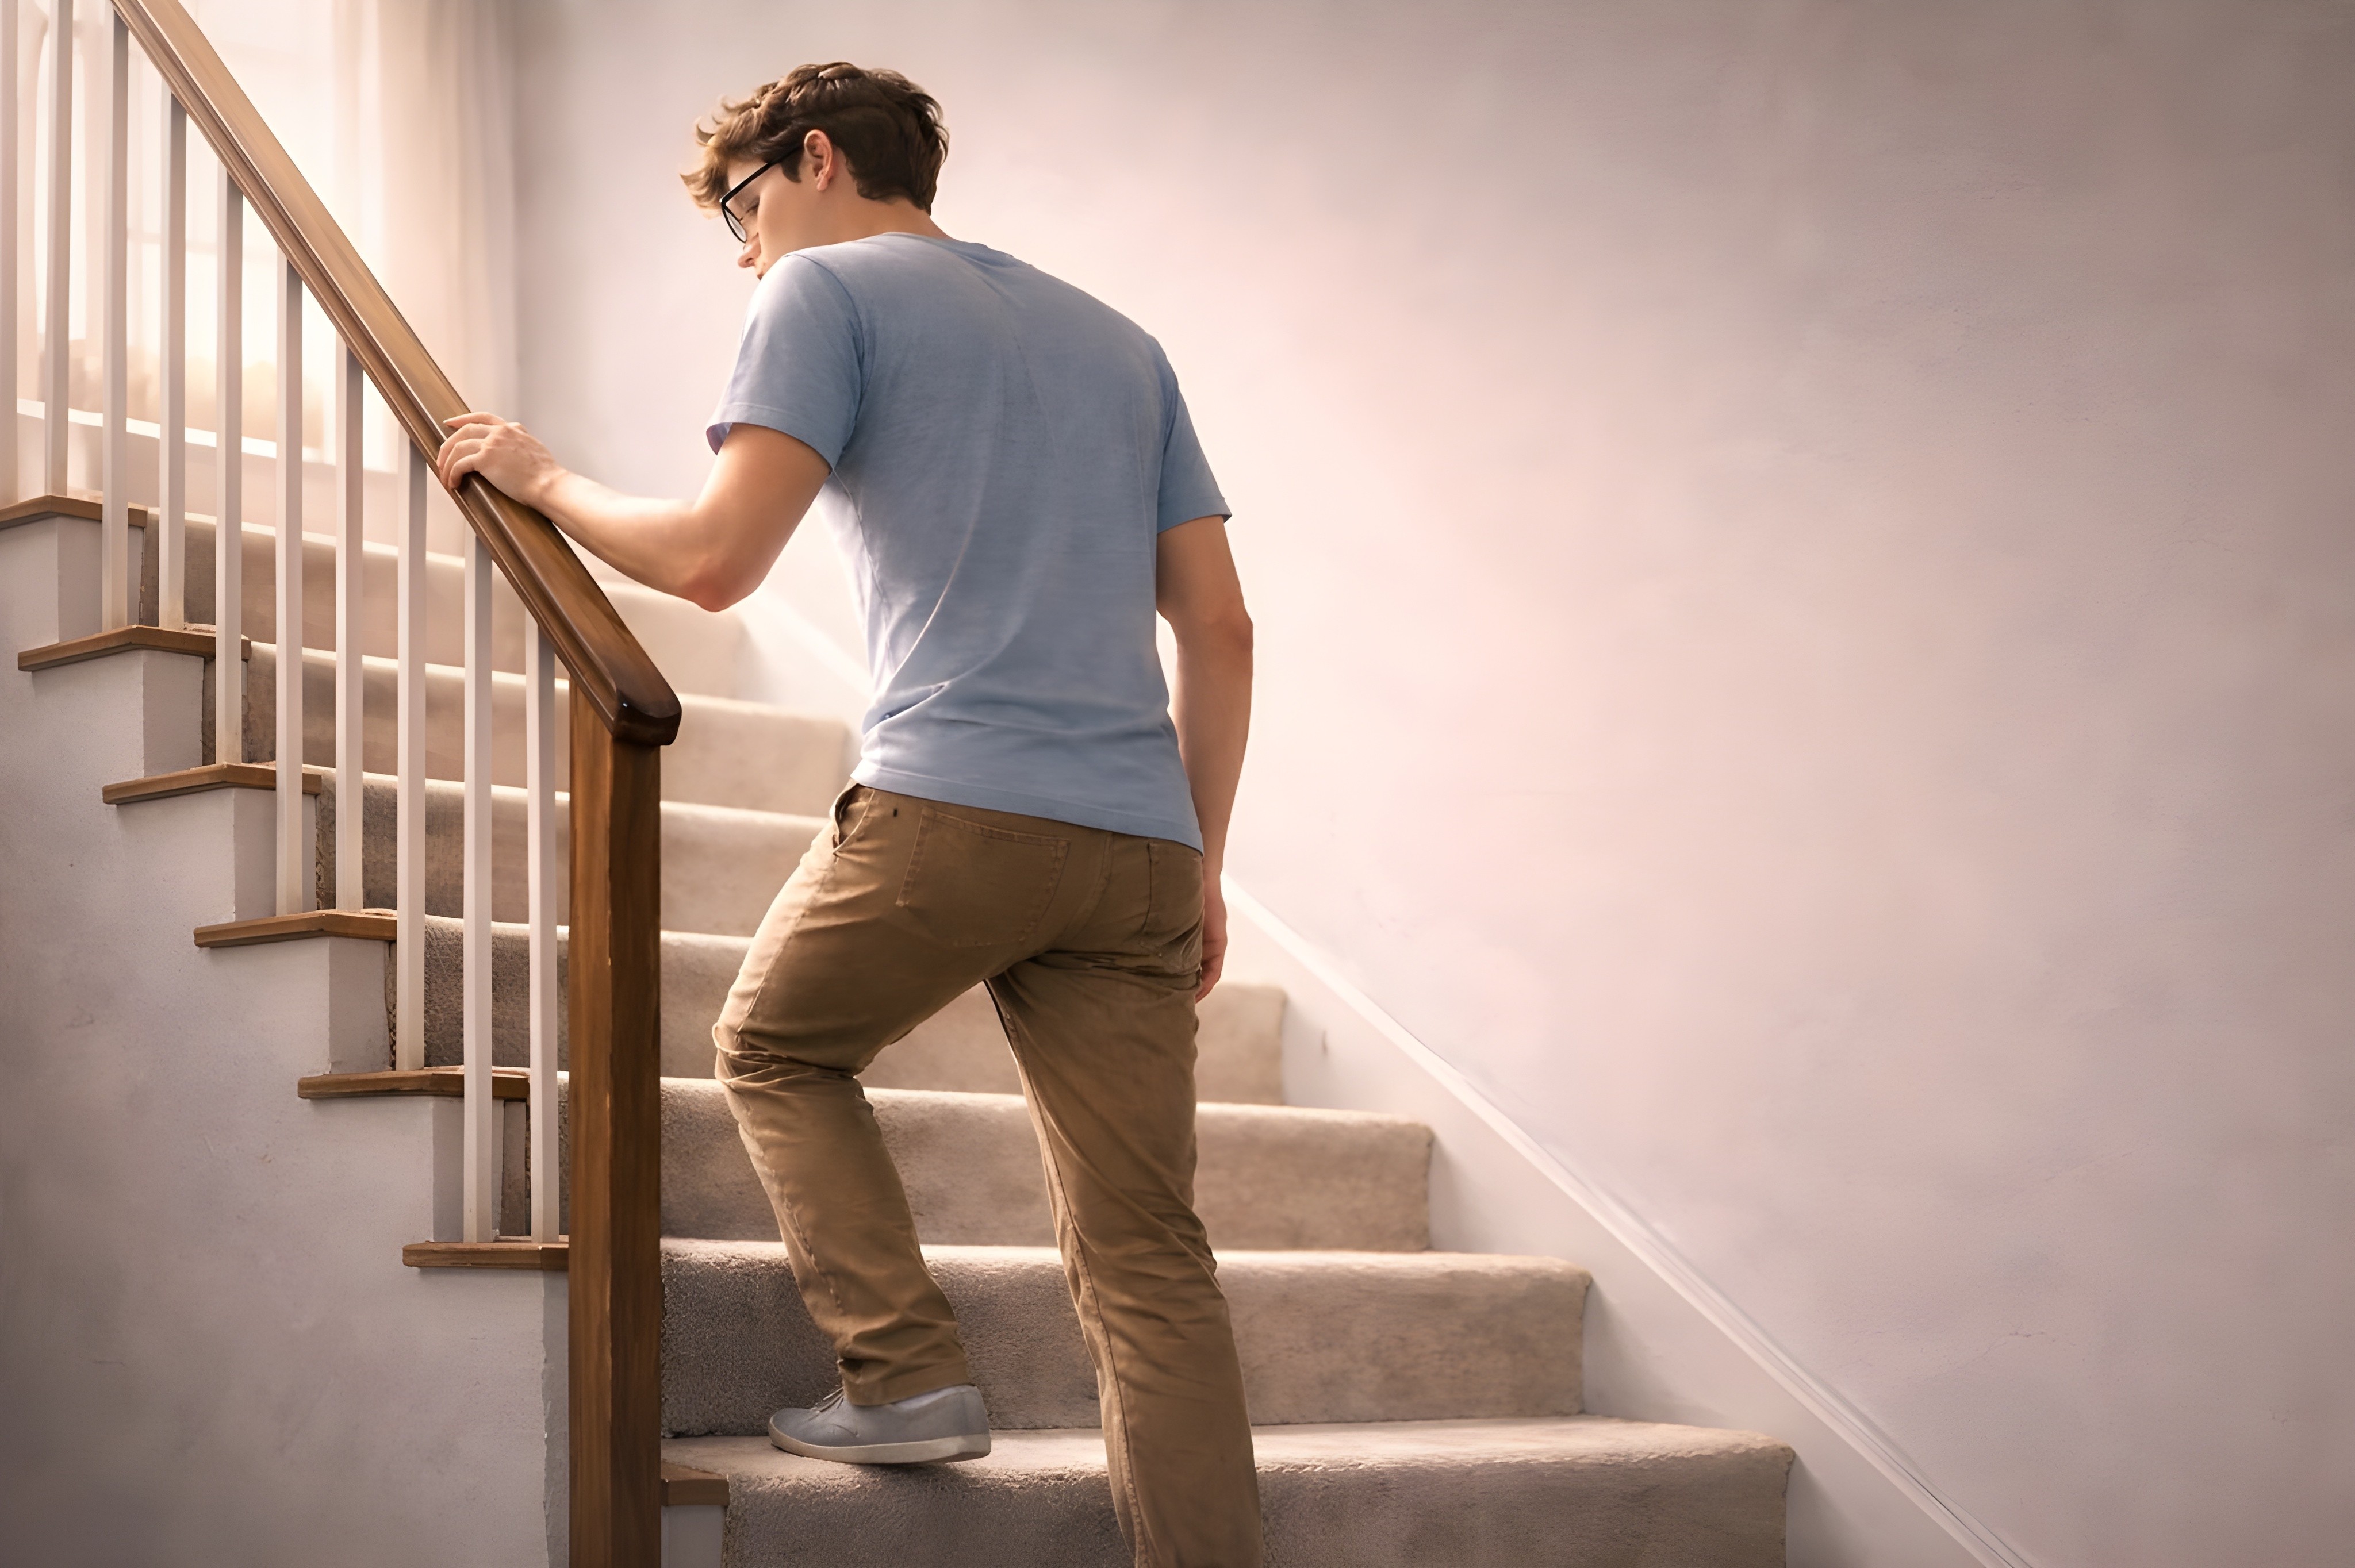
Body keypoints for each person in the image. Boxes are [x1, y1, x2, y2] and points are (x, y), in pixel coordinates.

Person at [435, 60, 1263, 1568]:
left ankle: (905, 1374)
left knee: (771, 1046)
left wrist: (543, 477)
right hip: (1142, 841)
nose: (746, 251)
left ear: (815, 158)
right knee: (1151, 1256)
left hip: (956, 802)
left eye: (744, 211)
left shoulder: (823, 293)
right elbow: (1220, 629)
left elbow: (712, 562)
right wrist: (1200, 862)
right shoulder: (1122, 343)